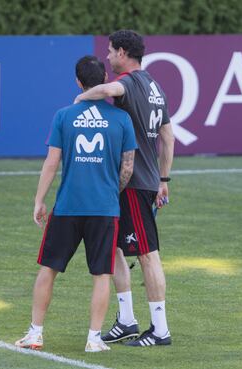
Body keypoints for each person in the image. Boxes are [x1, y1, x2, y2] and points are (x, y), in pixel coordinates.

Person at [15, 55, 137, 353]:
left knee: (48, 270)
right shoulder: (121, 119)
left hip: (68, 206)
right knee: (102, 276)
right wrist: (111, 190)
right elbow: (128, 167)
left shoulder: (64, 116)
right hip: (105, 209)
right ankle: (94, 339)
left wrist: (39, 200)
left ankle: (35, 333)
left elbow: (51, 161)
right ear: (106, 79)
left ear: (78, 82)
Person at [74, 30, 175, 347]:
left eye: (110, 51)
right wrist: (163, 179)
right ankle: (127, 320)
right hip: (140, 183)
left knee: (147, 255)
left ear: (122, 52)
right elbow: (169, 137)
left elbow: (109, 88)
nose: (107, 56)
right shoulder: (155, 86)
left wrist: (82, 98)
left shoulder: (129, 83)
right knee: (115, 248)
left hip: (133, 185)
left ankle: (160, 329)